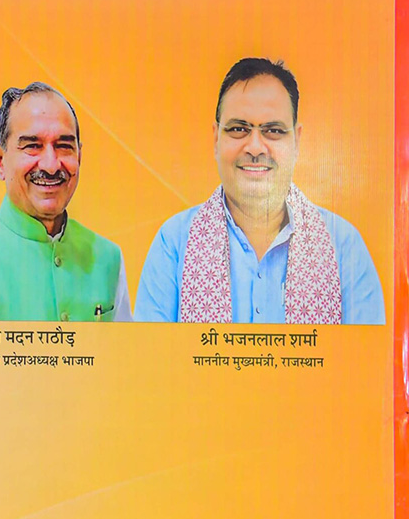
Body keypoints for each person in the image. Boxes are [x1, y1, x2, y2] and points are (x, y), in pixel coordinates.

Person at [134, 57, 384, 325]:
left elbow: (365, 364)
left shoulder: (344, 248)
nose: (255, 147)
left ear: (297, 141)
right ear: (216, 139)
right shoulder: (173, 244)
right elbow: (152, 364)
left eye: (273, 131)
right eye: (239, 129)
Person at [0, 82, 129, 322]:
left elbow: (122, 359)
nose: (51, 165)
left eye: (64, 146)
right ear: (0, 160)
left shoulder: (107, 259)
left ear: (80, 156)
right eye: (33, 146)